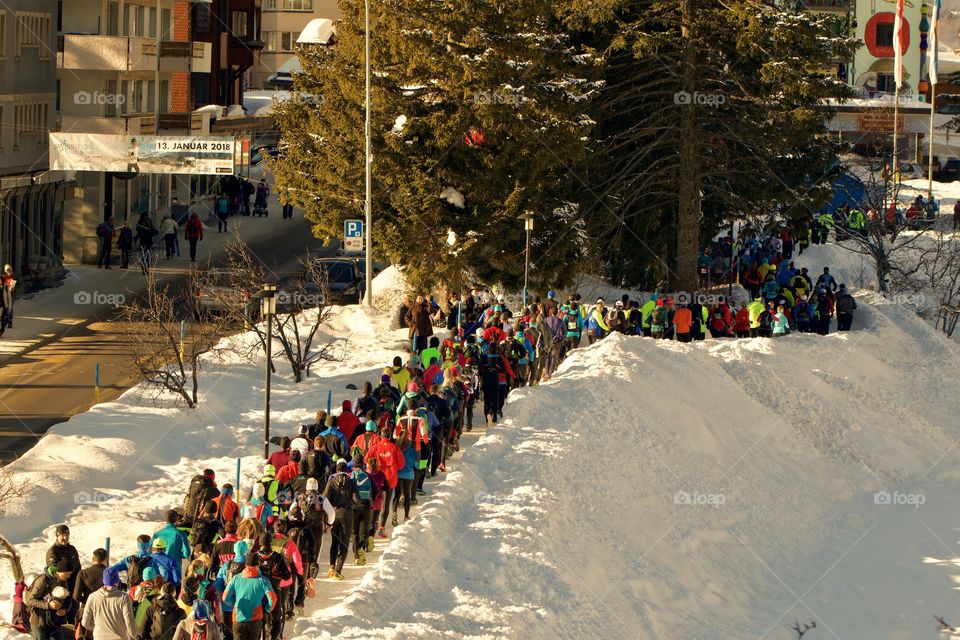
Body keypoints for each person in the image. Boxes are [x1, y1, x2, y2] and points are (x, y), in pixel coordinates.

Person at [222, 553, 276, 640]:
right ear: (258, 565)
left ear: (245, 565)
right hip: (255, 620)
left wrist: (235, 604)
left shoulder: (236, 578)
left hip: (238, 619)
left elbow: (225, 597)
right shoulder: (263, 580)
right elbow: (272, 598)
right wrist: (267, 609)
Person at [323, 460, 357, 580]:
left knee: (335, 541)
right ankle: (338, 570)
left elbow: (325, 498)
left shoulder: (331, 481)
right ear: (346, 470)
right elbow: (356, 499)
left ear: (336, 470)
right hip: (347, 513)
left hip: (334, 512)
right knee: (344, 542)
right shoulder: (351, 482)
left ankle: (331, 567)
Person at [80, 568, 136, 640]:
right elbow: (129, 621)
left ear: (104, 580)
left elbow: (85, 622)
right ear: (117, 581)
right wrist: (133, 636)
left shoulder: (92, 597)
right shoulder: (124, 598)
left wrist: (96, 627)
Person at [25, 559, 74, 640]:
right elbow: (30, 600)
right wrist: (48, 605)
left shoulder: (63, 581)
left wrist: (64, 609)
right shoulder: (42, 580)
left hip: (56, 622)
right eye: (67, 573)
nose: (68, 576)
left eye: (70, 574)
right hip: (39, 622)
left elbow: (68, 599)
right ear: (59, 571)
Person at [45, 525, 81, 594]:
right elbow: (54, 571)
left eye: (67, 535)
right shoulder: (53, 551)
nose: (65, 538)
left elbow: (78, 567)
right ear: (57, 536)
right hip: (60, 589)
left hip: (74, 587)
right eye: (63, 535)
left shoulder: (72, 549)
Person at [73, 548, 107, 616]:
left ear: (93, 559)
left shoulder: (83, 573)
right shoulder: (110, 573)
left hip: (87, 609)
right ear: (105, 559)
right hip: (105, 610)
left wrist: (86, 598)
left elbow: (76, 596)